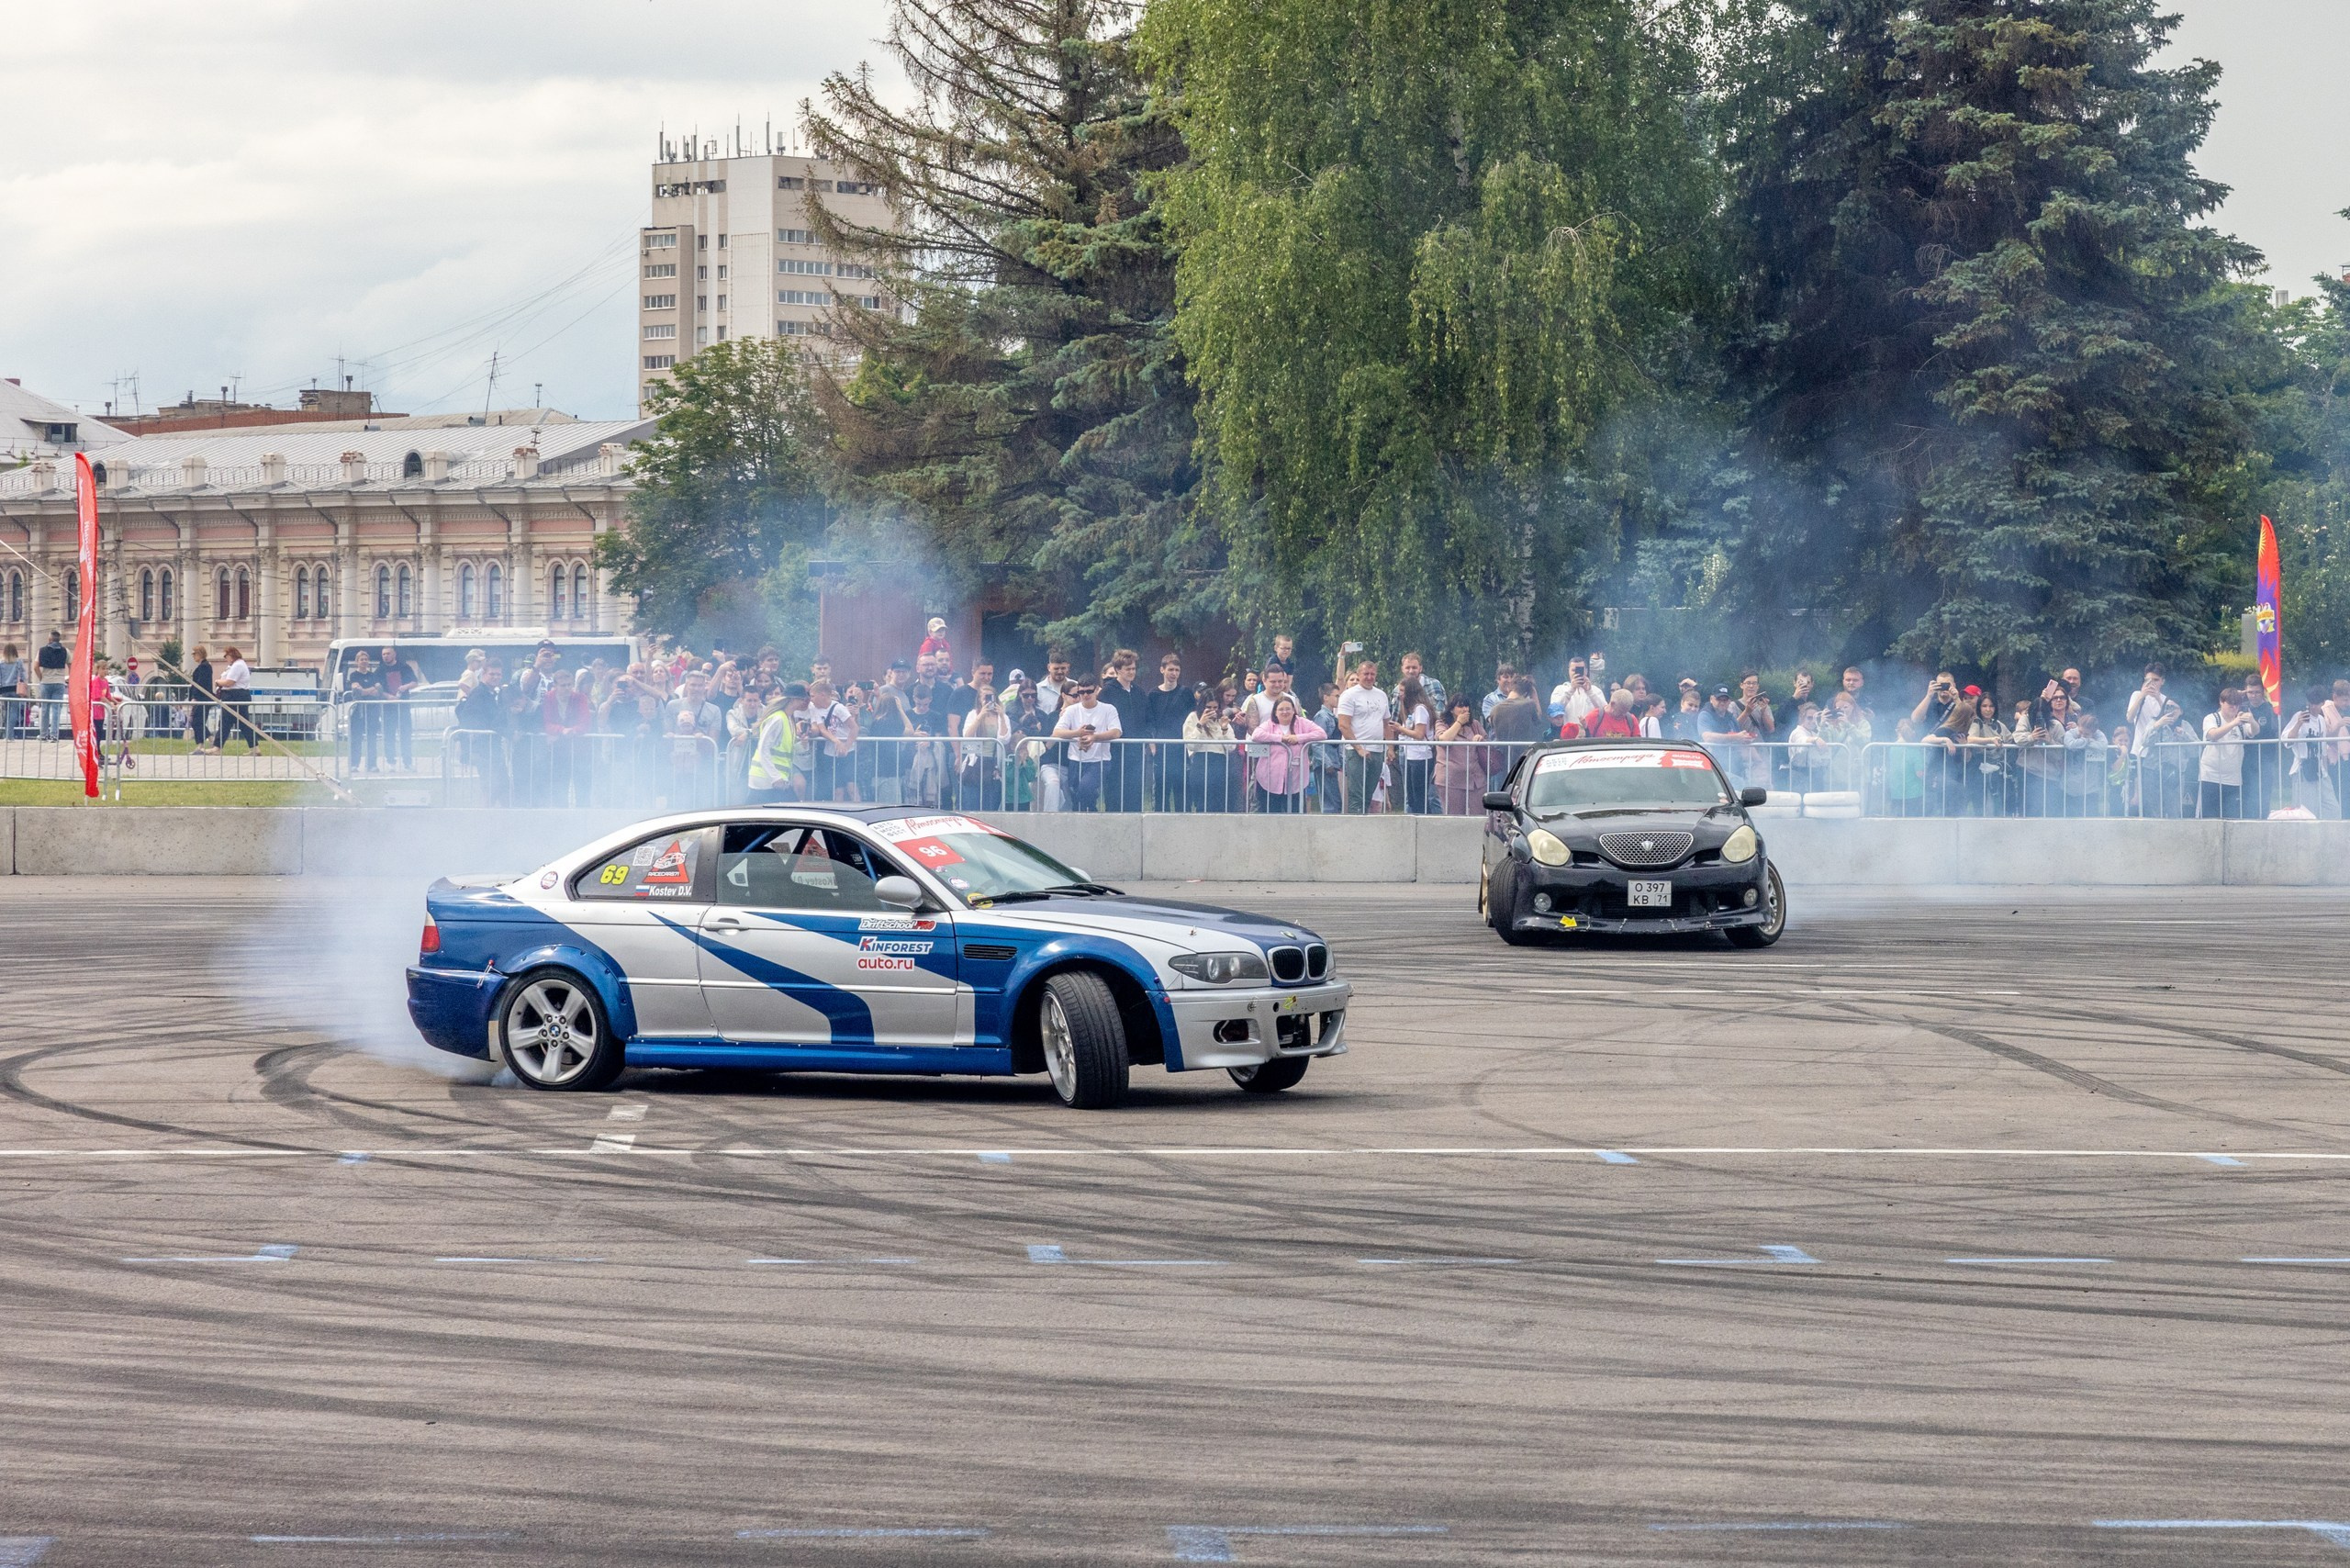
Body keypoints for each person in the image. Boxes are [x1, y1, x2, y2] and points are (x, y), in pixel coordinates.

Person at [1052, 676, 1120, 812]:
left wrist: (1094, 737)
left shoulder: (1108, 709)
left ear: (1096, 690)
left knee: (1085, 788)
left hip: (1100, 760)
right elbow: (1057, 732)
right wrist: (1078, 733)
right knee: (1076, 797)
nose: (1085, 695)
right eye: (1081, 692)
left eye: (1089, 691)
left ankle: (1093, 812)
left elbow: (1116, 732)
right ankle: (1087, 818)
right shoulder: (1072, 710)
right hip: (1076, 760)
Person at [1250, 692, 1325, 813]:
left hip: (1296, 777)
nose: (1285, 712)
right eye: (1281, 709)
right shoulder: (1269, 724)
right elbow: (1256, 735)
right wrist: (1280, 739)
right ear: (1275, 712)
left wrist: (1299, 738)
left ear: (1294, 710)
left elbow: (1321, 734)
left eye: (1288, 709)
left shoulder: (1302, 723)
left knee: (1296, 812)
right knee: (1269, 812)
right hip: (1269, 778)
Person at [1334, 659, 1390, 813]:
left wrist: (1391, 748)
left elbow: (1386, 723)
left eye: (1372, 674)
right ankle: (1355, 827)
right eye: (1366, 674)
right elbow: (1343, 725)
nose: (1369, 677)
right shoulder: (1349, 695)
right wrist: (1358, 748)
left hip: (1377, 750)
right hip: (1355, 751)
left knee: (1369, 793)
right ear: (1359, 675)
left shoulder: (1382, 695)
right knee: (1356, 794)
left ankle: (1365, 824)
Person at [1140, 652, 1193, 812]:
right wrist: (1152, 743)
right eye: (1171, 669)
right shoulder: (1153, 695)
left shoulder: (1186, 693)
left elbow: (1192, 718)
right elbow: (1149, 722)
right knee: (1161, 787)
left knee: (1182, 789)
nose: (1174, 673)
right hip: (1161, 748)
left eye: (1177, 670)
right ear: (1162, 670)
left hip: (1181, 746)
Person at [2199, 688, 2257, 819]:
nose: (2234, 707)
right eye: (2230, 704)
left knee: (2232, 819)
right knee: (2209, 819)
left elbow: (2254, 731)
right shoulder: (2212, 718)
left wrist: (2252, 720)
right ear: (2221, 702)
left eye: (2237, 704)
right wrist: (2234, 723)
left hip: (2233, 779)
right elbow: (2212, 735)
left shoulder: (2241, 722)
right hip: (2211, 777)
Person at [541, 666, 594, 806]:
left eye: (569, 685)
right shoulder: (548, 697)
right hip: (558, 750)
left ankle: (583, 815)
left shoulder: (580, 697)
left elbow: (586, 723)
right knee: (559, 786)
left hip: (580, 750)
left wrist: (573, 730)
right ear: (555, 686)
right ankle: (561, 817)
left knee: (582, 787)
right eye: (563, 685)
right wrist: (561, 730)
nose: (567, 688)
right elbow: (546, 723)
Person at [1182, 693, 1240, 811]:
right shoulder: (1193, 717)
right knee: (1202, 802)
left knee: (1219, 802)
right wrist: (1200, 724)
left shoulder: (1222, 719)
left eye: (1215, 707)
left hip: (1220, 762)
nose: (1212, 711)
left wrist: (1224, 728)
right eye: (1209, 707)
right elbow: (1190, 744)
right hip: (1200, 761)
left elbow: (1231, 747)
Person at [1433, 696, 1488, 815]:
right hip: (1451, 780)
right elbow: (1444, 740)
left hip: (1476, 780)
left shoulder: (1474, 724)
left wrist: (1480, 739)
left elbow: (1488, 744)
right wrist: (1459, 722)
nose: (1464, 709)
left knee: (1479, 816)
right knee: (1455, 818)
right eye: (1460, 706)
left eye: (1466, 706)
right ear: (1451, 709)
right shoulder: (1441, 723)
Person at [1393, 674, 1437, 813]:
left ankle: (1424, 820)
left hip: (1421, 757)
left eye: (1403, 692)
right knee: (1411, 795)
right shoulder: (1410, 710)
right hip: (1410, 755)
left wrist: (1400, 729)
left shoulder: (1420, 709)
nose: (1400, 695)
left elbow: (1419, 734)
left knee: (1419, 795)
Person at [343, 651, 386, 773]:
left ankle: (372, 765)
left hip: (372, 710)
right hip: (358, 711)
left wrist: (366, 690)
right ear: (357, 661)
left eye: (366, 659)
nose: (364, 661)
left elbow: (379, 690)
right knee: (356, 738)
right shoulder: (354, 676)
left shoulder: (374, 675)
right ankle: (354, 764)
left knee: (372, 738)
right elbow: (358, 691)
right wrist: (371, 689)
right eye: (361, 659)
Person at [212, 646, 254, 752]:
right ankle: (255, 748)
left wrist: (218, 682)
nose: (225, 658)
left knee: (225, 722)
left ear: (231, 655)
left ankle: (217, 748)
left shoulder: (237, 665)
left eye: (226, 656)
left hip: (234, 697)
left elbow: (230, 682)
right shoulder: (237, 665)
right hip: (237, 696)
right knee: (243, 724)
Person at [1548, 657, 1604, 733]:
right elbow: (1554, 711)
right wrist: (1571, 690)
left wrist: (1590, 692)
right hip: (1567, 736)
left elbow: (1604, 711)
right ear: (1569, 671)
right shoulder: (1560, 689)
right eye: (1573, 670)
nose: (1576, 673)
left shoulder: (1595, 690)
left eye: (1580, 670)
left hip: (1590, 737)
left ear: (1586, 671)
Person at [35, 630, 68, 742]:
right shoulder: (65, 651)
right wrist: (68, 677)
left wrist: (41, 677)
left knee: (44, 709)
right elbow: (71, 664)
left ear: (49, 639)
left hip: (46, 682)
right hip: (59, 683)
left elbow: (35, 666)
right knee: (56, 710)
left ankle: (43, 735)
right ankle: (54, 735)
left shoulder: (41, 651)